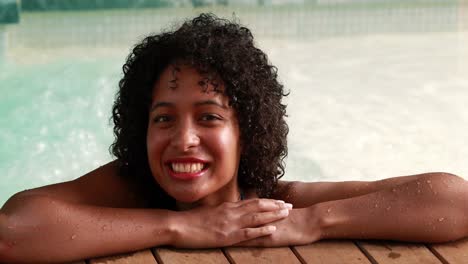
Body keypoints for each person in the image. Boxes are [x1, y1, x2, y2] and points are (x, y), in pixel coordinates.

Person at [1, 13, 467, 263]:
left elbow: (455, 201)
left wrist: (313, 223)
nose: (183, 139)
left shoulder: (272, 205)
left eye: (208, 118)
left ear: (247, 132)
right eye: (163, 119)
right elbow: (11, 234)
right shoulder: (130, 189)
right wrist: (183, 228)